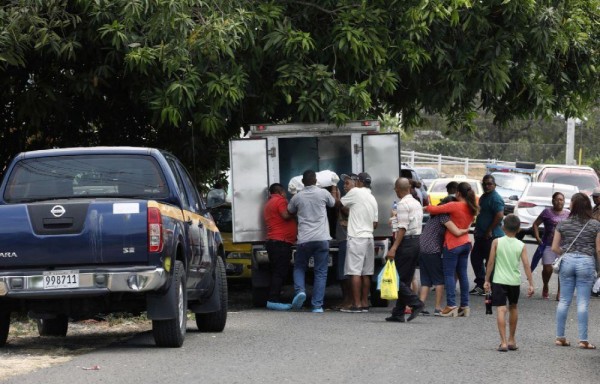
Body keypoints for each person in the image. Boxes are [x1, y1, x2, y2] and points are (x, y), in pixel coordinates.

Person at [551, 192, 600, 349]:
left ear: (573, 205)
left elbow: (554, 247)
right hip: (586, 262)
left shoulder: (563, 223)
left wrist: (567, 254)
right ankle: (583, 340)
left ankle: (560, 337)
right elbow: (598, 249)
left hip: (568, 261)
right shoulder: (595, 225)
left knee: (564, 300)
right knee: (583, 302)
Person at [425, 182, 478, 317]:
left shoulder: (454, 205)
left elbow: (433, 209)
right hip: (466, 243)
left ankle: (451, 305)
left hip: (452, 244)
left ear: (458, 193)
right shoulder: (472, 207)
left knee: (449, 275)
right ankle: (465, 306)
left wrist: (423, 207)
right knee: (463, 275)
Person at [483, 214, 535, 352]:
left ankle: (503, 342)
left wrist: (486, 279)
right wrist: (531, 283)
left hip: (499, 280)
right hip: (514, 281)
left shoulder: (497, 242)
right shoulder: (521, 245)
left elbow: (490, 262)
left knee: (501, 309)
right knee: (513, 307)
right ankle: (512, 340)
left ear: (503, 227)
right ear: (518, 230)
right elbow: (526, 264)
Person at [287, 170, 336, 313]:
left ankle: (300, 291)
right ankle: (317, 305)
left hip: (304, 240)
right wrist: (333, 186)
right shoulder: (323, 193)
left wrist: (294, 194)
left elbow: (290, 210)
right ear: (316, 181)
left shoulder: (298, 196)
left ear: (302, 182)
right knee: (320, 272)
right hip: (322, 239)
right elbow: (333, 204)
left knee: (299, 267)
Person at [385, 178, 424, 323]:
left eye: (395, 189)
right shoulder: (416, 202)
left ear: (398, 189)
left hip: (405, 243)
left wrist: (394, 248)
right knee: (406, 279)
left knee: (395, 279)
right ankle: (398, 312)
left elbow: (403, 228)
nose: (395, 191)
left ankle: (416, 303)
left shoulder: (402, 204)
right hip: (416, 242)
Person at [338, 173, 378, 313]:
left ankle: (356, 305)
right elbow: (375, 224)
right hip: (369, 237)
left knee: (354, 272)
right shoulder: (372, 198)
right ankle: (364, 302)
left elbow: (339, 204)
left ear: (358, 182)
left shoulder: (355, 192)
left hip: (356, 237)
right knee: (366, 273)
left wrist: (334, 193)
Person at [418, 211, 469, 316]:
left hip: (422, 249)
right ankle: (437, 308)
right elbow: (456, 232)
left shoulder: (433, 217)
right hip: (433, 250)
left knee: (426, 280)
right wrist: (468, 229)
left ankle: (420, 306)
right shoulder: (444, 217)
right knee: (439, 280)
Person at [263, 183, 297, 311]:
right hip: (281, 242)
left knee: (276, 271)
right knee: (279, 272)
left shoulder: (269, 203)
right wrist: (296, 210)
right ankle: (273, 300)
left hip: (274, 241)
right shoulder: (280, 200)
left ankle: (274, 297)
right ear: (281, 191)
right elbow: (285, 215)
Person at [470, 174, 504, 296]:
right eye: (484, 184)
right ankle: (481, 284)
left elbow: (499, 215)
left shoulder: (496, 198)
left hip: (492, 236)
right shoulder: (484, 196)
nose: (487, 186)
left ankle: (490, 287)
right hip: (481, 235)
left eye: (489, 184)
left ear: (494, 185)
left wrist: (489, 230)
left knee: (490, 262)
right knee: (475, 259)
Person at [531, 192, 569, 300]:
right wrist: (537, 238)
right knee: (548, 269)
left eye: (561, 199)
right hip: (548, 245)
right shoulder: (547, 212)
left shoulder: (568, 214)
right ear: (552, 201)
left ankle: (560, 292)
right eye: (557, 199)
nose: (559, 201)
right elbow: (535, 224)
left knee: (563, 270)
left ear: (564, 201)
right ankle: (545, 285)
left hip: (563, 246)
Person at [331, 176, 355, 310]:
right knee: (343, 273)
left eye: (347, 183)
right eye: (343, 183)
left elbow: (341, 207)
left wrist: (334, 188)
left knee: (345, 273)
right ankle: (347, 300)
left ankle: (349, 300)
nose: (344, 186)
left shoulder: (352, 199)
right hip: (343, 239)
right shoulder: (348, 198)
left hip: (347, 239)